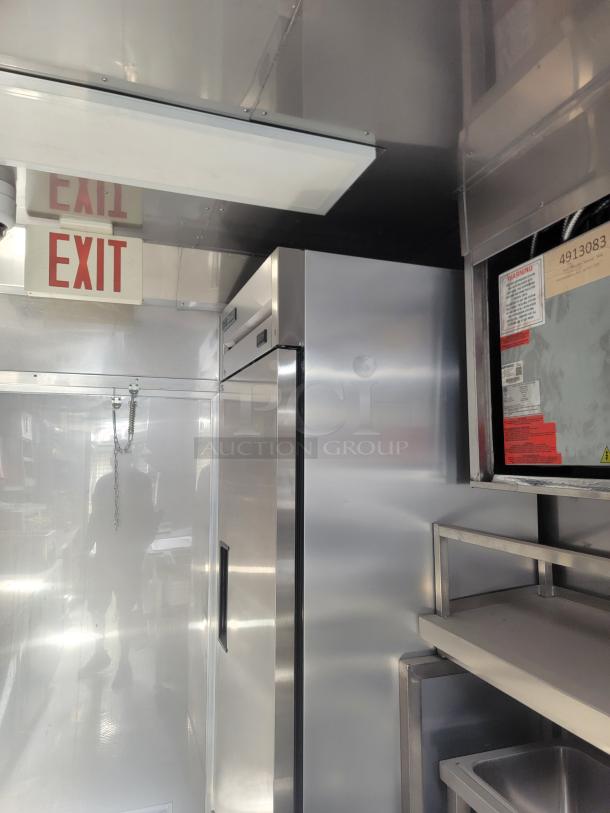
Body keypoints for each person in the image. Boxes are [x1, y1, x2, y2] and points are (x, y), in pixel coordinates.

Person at [79, 457, 158, 689]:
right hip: (108, 558)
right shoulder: (104, 483)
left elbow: (146, 521)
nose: (116, 462)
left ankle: (124, 663)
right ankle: (99, 653)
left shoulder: (140, 482)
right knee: (97, 608)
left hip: (126, 560)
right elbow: (95, 519)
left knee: (125, 612)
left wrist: (141, 552)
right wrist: (84, 549)